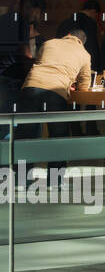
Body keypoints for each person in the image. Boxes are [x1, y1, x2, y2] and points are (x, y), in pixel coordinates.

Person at [16, 28, 93, 180]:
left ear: (68, 35)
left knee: (25, 135)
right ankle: (55, 179)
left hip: (30, 87)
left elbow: (41, 63)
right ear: (82, 43)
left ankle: (21, 178)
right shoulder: (84, 54)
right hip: (55, 93)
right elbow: (85, 86)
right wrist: (70, 83)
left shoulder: (49, 43)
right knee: (58, 136)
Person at [58, 0, 102, 74]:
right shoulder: (90, 24)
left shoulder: (65, 22)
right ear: (93, 11)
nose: (95, 18)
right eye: (96, 15)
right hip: (83, 66)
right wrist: (96, 67)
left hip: (65, 64)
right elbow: (92, 47)